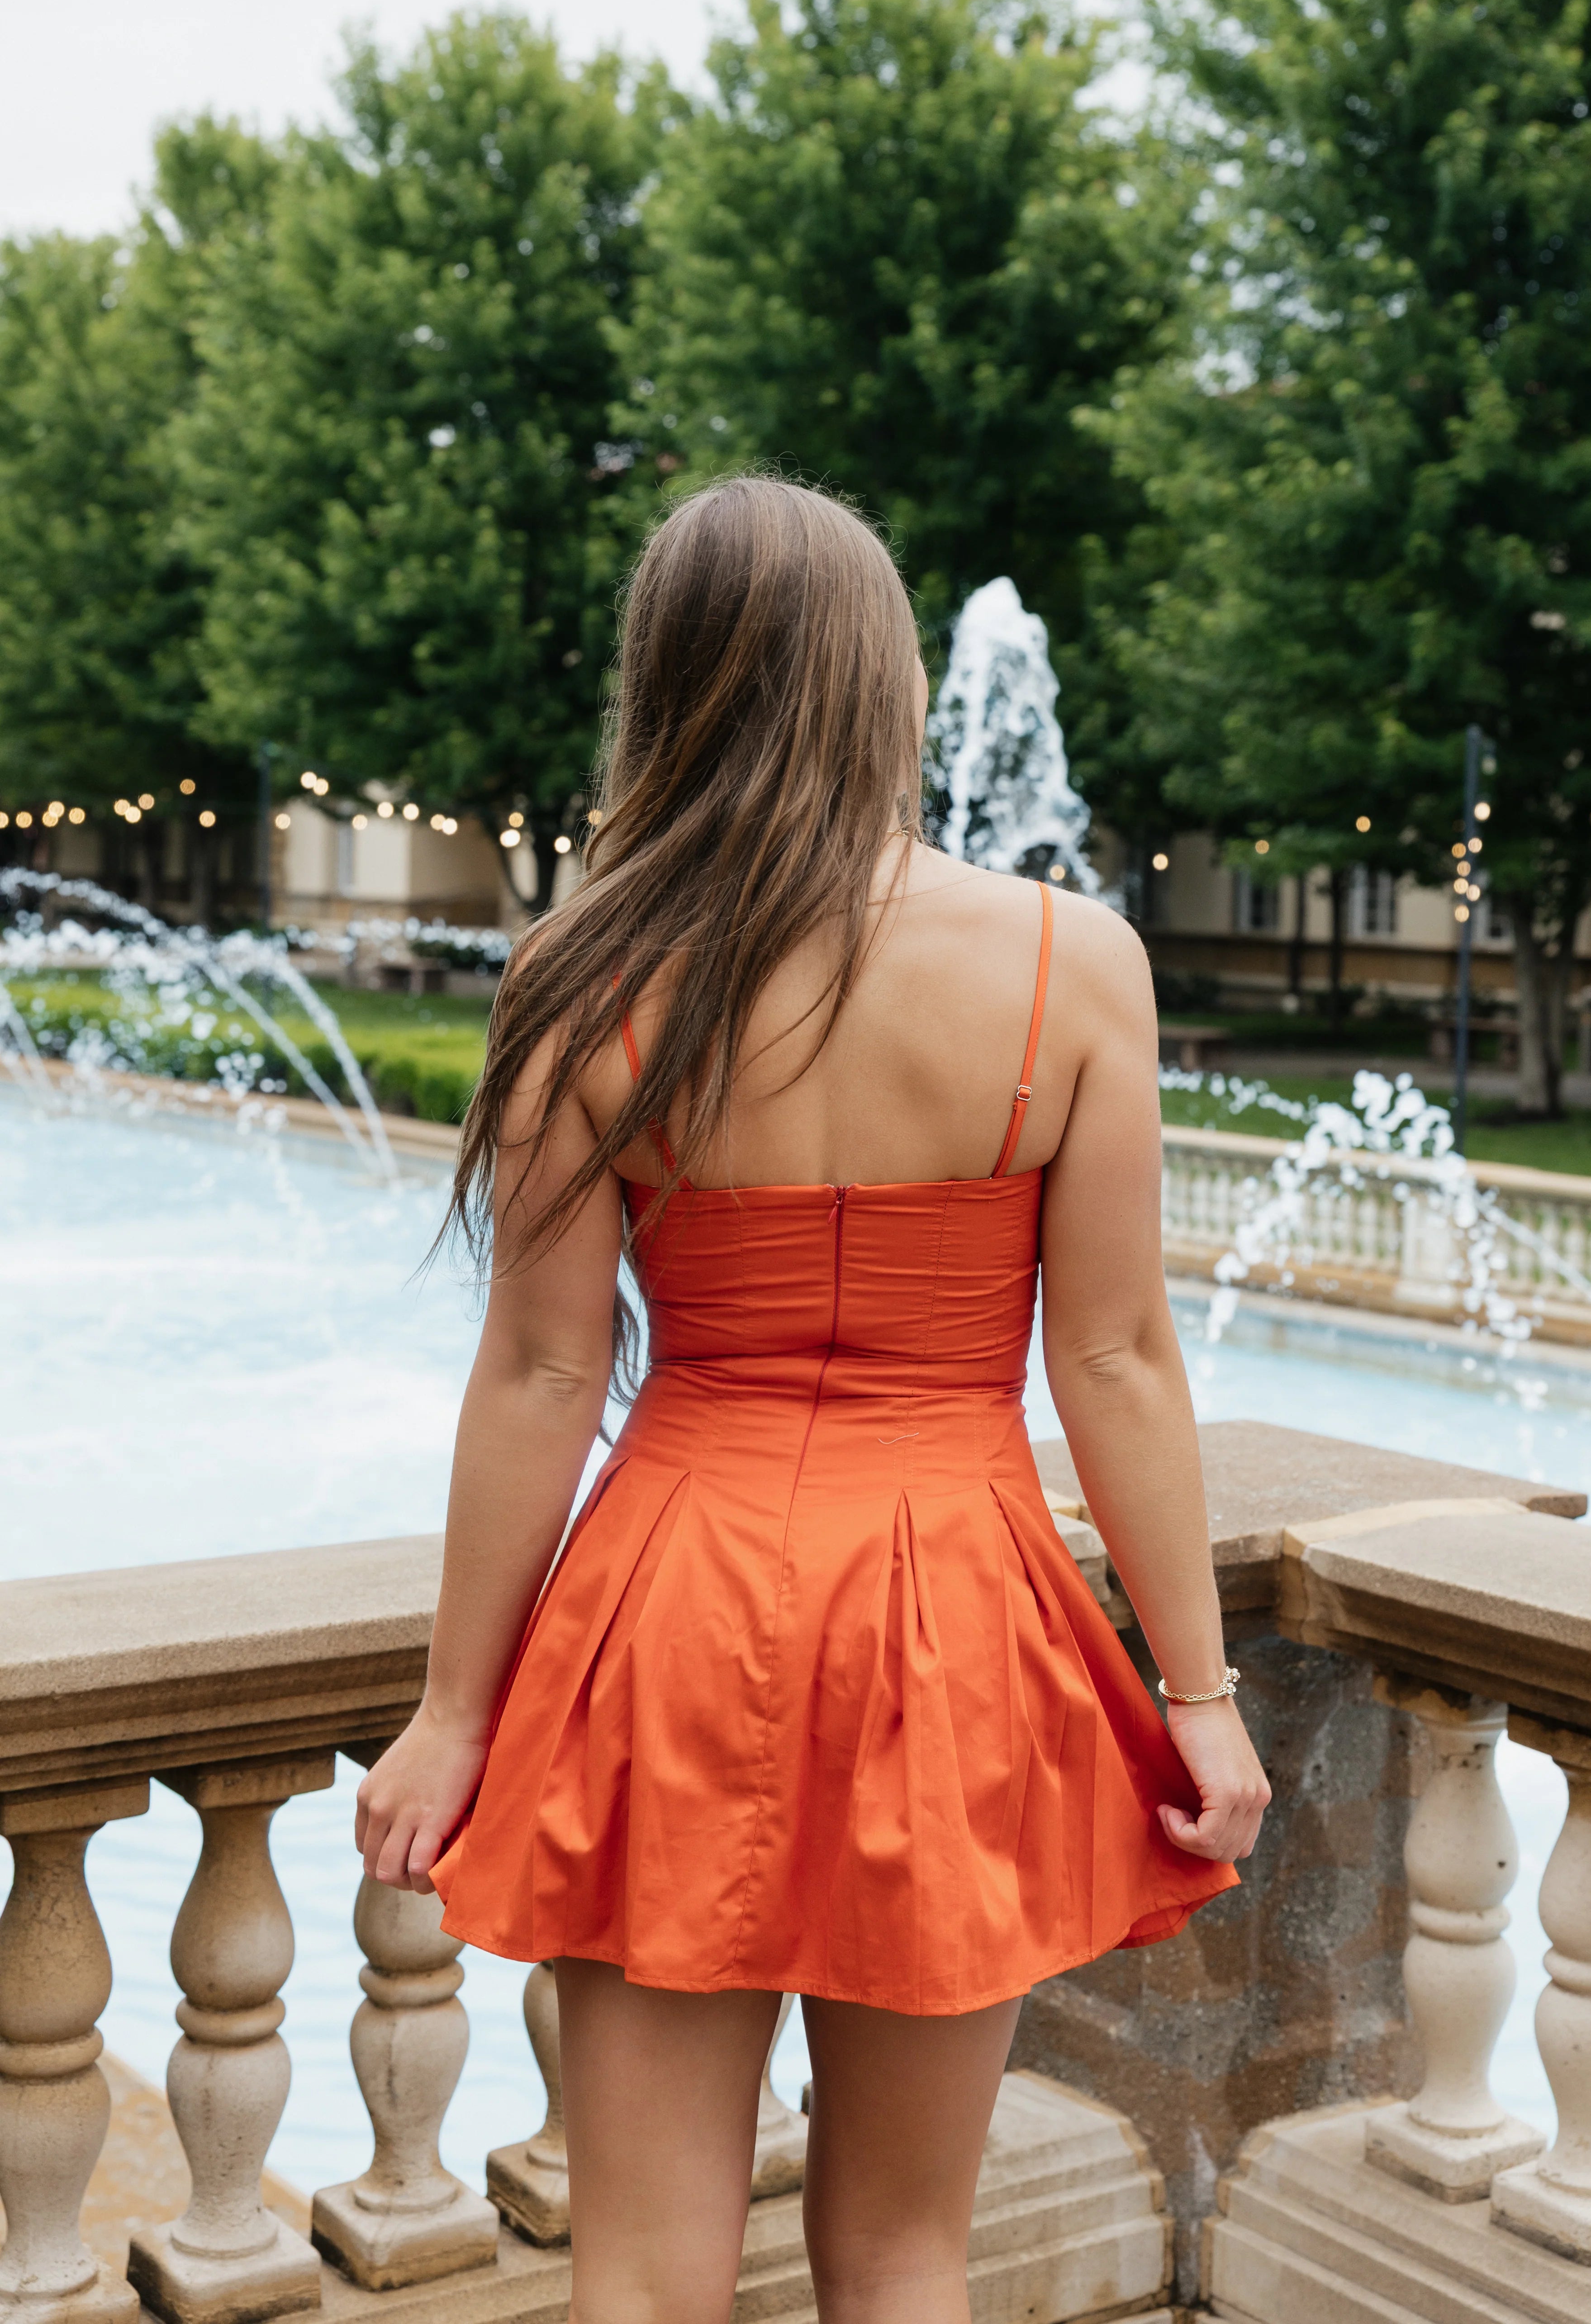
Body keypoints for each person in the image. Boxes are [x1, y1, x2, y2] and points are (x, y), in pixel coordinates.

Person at [356, 477, 1269, 2324]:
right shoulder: (1068, 964)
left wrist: (456, 1709)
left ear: (663, 685)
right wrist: (1198, 1695)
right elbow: (1111, 1359)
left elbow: (539, 1368)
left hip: (669, 1604)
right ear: (887, 683)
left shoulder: (581, 972)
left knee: (641, 2261)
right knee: (904, 2252)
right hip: (951, 1612)